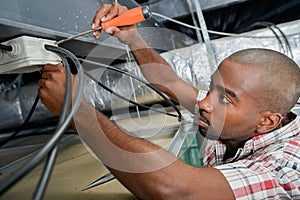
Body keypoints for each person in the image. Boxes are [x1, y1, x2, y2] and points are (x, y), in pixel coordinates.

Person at [38, 2, 300, 200]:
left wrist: (76, 111)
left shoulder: (288, 164)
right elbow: (172, 84)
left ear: (267, 121)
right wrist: (132, 36)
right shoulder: (237, 117)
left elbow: (175, 190)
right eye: (211, 88)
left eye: (225, 98)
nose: (205, 103)